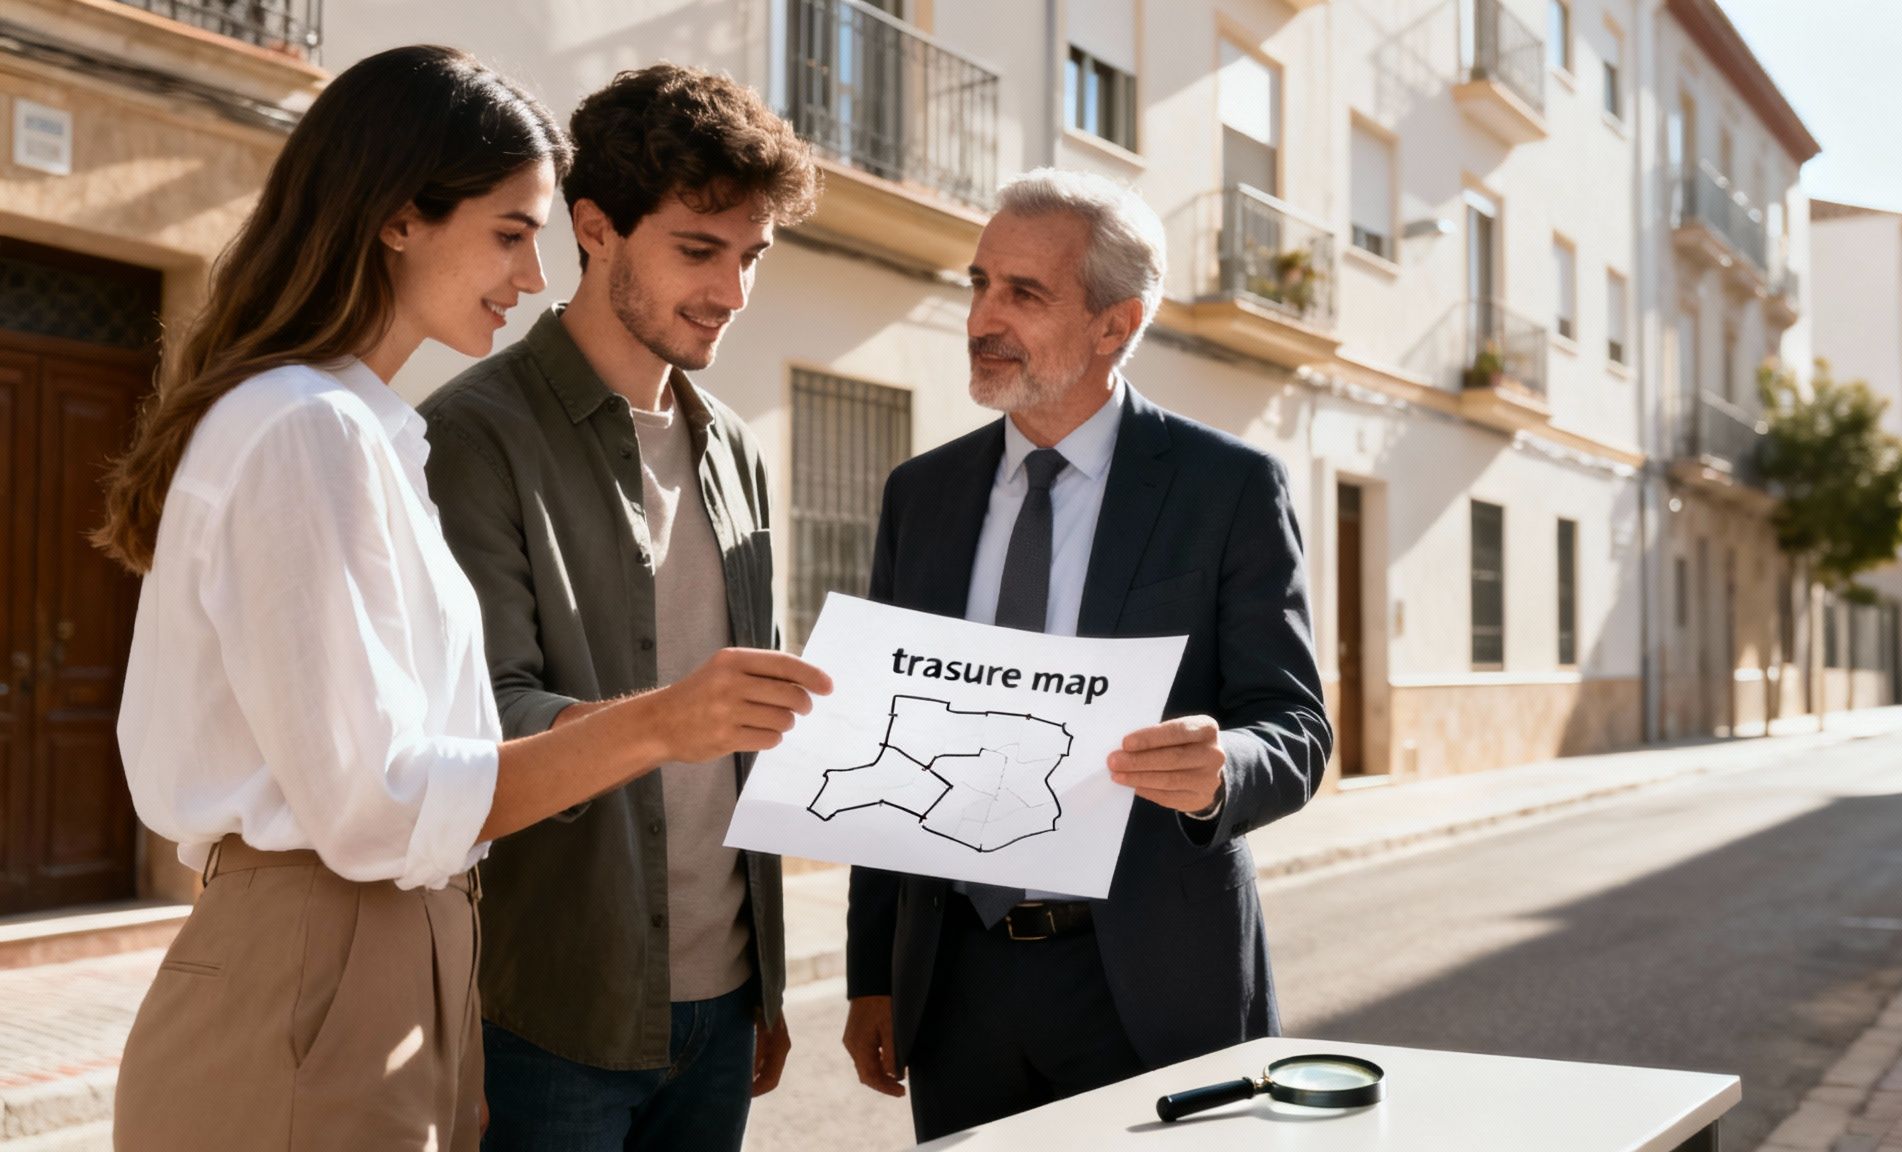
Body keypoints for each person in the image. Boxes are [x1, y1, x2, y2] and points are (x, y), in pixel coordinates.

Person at [94, 45, 828, 1151]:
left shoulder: (364, 429)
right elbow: (380, 802)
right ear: (397, 217)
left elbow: (436, 750)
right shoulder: (312, 429)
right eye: (508, 233)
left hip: (395, 953)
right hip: (325, 955)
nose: (531, 278)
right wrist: (665, 722)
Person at [839, 168, 1331, 1141]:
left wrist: (1217, 768)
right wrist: (871, 976)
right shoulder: (921, 497)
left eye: (1023, 294)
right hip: (958, 987)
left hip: (1147, 989)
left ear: (1115, 324)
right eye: (980, 284)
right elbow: (880, 735)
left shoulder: (1223, 489)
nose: (983, 316)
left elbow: (1296, 729)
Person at [418, 64, 819, 1152]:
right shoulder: (469, 436)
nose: (730, 293)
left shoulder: (734, 446)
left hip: (727, 1003)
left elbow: (753, 728)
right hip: (553, 1016)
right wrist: (662, 718)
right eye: (698, 250)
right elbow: (475, 724)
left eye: (750, 258)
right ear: (594, 228)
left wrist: (763, 979)